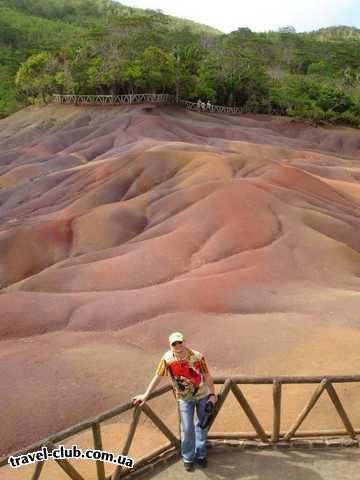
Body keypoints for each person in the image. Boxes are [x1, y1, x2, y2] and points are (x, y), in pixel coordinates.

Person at [132, 332, 217, 472]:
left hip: (202, 396)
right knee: (187, 428)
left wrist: (212, 395)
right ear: (170, 345)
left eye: (180, 342)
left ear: (184, 341)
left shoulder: (197, 356)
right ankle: (188, 458)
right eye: (174, 344)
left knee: (202, 425)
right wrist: (146, 395)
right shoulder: (167, 359)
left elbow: (207, 376)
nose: (178, 346)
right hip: (184, 399)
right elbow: (157, 377)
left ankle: (201, 455)